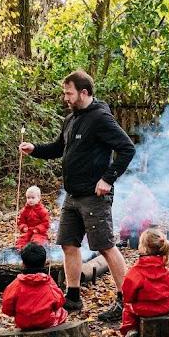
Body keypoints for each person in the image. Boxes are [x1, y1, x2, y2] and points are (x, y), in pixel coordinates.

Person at [20, 70, 135, 319]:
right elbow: (58, 148)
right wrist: (34, 149)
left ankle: (125, 301)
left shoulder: (101, 118)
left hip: (95, 196)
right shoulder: (71, 119)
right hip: (72, 195)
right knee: (68, 244)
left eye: (69, 93)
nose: (65, 98)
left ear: (84, 92)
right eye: (64, 93)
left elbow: (127, 148)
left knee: (105, 246)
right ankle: (72, 298)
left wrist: (108, 179)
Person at [115, 228, 169, 337]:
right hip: (165, 307)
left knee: (128, 308)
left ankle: (130, 330)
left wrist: (131, 301)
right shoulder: (168, 268)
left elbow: (128, 295)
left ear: (143, 248)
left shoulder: (136, 271)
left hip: (143, 309)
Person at [1, 243, 67, 330]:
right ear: (45, 263)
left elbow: (6, 308)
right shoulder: (48, 282)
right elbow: (59, 301)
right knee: (62, 312)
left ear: (23, 264)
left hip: (23, 323)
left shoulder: (15, 284)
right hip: (46, 322)